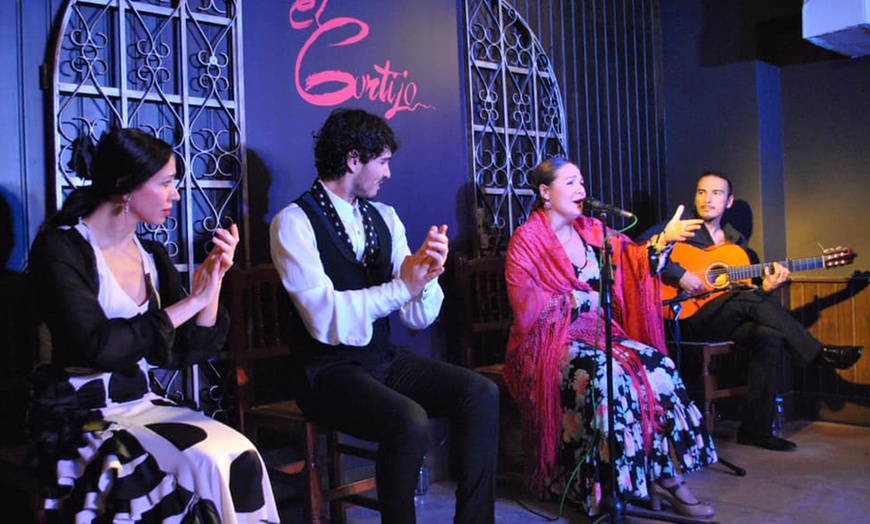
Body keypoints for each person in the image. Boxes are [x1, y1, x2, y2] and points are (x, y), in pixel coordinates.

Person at [27, 128, 279, 523]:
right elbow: (101, 347)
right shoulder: (61, 248)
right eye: (165, 183)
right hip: (77, 413)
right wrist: (190, 302)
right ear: (126, 186)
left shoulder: (151, 256)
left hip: (138, 403)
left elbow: (182, 352)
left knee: (234, 454)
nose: (175, 194)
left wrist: (211, 285)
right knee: (138, 468)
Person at [269, 108, 498, 524]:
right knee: (408, 420)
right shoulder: (293, 222)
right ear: (354, 160)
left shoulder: (385, 218)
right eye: (384, 161)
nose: (388, 173)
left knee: (479, 392)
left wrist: (426, 274)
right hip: (325, 371)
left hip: (381, 359)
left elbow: (416, 316)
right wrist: (402, 286)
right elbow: (325, 318)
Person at [504, 157, 718, 519]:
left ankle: (667, 476)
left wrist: (662, 240)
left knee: (658, 364)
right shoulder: (527, 241)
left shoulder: (593, 230)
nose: (581, 191)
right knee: (608, 376)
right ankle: (605, 487)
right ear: (544, 191)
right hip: (549, 342)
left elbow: (634, 262)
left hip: (598, 334)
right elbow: (527, 307)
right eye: (570, 182)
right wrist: (579, 299)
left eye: (582, 182)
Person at [643, 171, 863, 452]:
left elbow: (743, 293)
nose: (708, 199)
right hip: (684, 318)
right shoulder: (681, 226)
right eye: (701, 192)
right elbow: (638, 248)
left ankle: (756, 430)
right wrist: (679, 273)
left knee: (768, 335)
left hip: (722, 317)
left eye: (716, 193)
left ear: (729, 201)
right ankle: (817, 353)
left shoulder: (735, 242)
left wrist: (768, 287)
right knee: (743, 297)